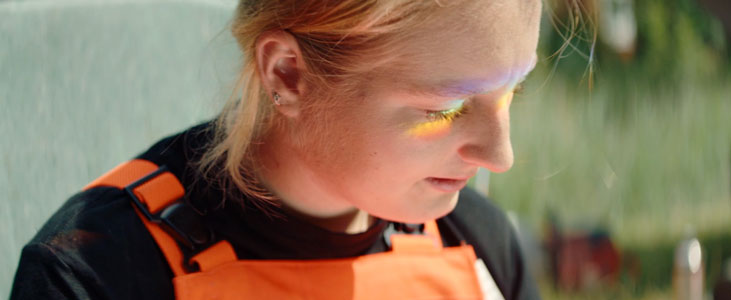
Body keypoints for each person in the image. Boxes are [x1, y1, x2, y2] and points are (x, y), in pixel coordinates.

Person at [10, 0, 542, 299]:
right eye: (445, 108)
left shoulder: (480, 249)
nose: (501, 157)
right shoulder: (95, 275)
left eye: (511, 91)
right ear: (287, 73)